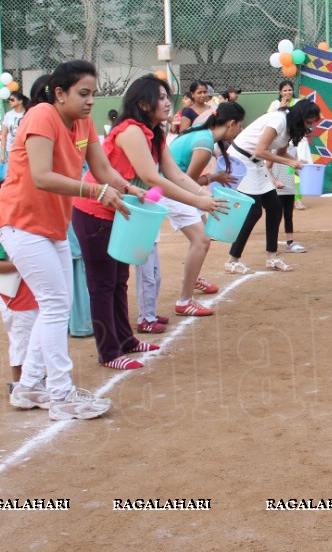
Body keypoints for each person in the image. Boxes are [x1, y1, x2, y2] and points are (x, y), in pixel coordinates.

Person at [0, 60, 139, 420]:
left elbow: (103, 169)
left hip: (53, 226)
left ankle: (29, 387)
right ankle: (60, 393)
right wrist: (97, 190)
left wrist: (130, 187)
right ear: (60, 94)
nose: (90, 101)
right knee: (56, 305)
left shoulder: (84, 122)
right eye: (83, 93)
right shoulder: (42, 115)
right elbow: (43, 176)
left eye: (93, 93)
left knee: (54, 305)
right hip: (20, 224)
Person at [72, 74, 225, 369]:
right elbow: (154, 177)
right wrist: (197, 201)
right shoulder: (130, 131)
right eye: (161, 97)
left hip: (123, 210)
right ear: (144, 103)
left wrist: (205, 194)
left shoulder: (154, 133)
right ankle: (109, 351)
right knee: (103, 284)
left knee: (119, 279)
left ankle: (126, 339)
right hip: (95, 210)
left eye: (168, 97)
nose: (168, 102)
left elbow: (176, 175)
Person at [136, 102, 247, 330]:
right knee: (202, 239)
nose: (241, 131)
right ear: (231, 124)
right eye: (240, 126)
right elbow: (187, 181)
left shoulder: (202, 135)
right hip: (167, 192)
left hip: (167, 189)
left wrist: (212, 180)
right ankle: (184, 301)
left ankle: (192, 278)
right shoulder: (205, 144)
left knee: (203, 235)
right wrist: (212, 179)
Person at [225, 99, 321, 273]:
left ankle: (272, 258)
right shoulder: (279, 120)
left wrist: (298, 164)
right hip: (242, 159)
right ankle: (232, 260)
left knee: (275, 207)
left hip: (256, 162)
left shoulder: (291, 127)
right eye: (308, 122)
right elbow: (261, 150)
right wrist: (289, 162)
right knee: (254, 211)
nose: (309, 126)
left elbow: (281, 153)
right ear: (300, 116)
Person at [0, 181, 38, 391]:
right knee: (22, 341)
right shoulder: (5, 233)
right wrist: (21, 264)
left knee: (32, 338)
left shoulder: (24, 228)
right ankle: (19, 384)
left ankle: (32, 380)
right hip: (16, 298)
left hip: (28, 296)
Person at [1, 89, 27, 163]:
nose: (10, 101)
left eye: (12, 100)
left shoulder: (27, 113)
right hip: (11, 149)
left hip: (24, 149)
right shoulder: (8, 115)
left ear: (20, 101)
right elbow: (4, 135)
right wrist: (2, 153)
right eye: (9, 100)